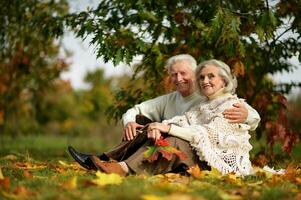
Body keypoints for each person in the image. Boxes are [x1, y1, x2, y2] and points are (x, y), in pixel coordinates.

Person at [68, 55, 260, 174]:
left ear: (224, 81)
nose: (205, 81)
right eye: (202, 77)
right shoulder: (202, 102)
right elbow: (180, 120)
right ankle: (107, 160)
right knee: (148, 126)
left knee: (173, 140)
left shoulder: (228, 103)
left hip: (202, 156)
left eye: (210, 77)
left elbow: (206, 131)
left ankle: (123, 168)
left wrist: (248, 116)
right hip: (185, 147)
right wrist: (151, 126)